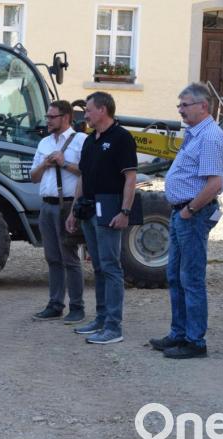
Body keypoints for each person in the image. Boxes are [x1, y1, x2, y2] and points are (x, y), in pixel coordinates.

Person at [150, 82, 223, 359]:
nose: (180, 110)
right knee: (175, 276)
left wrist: (190, 211)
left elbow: (214, 183)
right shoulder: (194, 135)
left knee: (191, 278)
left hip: (192, 215)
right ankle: (179, 334)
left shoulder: (209, 137)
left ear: (203, 106)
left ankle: (195, 342)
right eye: (179, 105)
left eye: (185, 105)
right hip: (181, 213)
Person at [65, 91, 137, 345]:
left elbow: (130, 178)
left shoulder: (122, 138)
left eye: (88, 110)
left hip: (110, 207)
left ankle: (113, 326)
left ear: (103, 110)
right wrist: (74, 210)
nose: (85, 114)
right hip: (88, 208)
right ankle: (101, 318)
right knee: (97, 266)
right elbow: (83, 177)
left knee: (110, 266)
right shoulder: (89, 140)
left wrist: (124, 211)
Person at [29, 100, 87, 323]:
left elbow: (87, 173)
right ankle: (55, 304)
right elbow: (33, 177)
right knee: (52, 257)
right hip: (47, 205)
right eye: (47, 117)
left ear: (65, 117)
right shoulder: (43, 142)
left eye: (51, 117)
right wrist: (44, 165)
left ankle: (76, 306)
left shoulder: (80, 141)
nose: (47, 121)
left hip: (68, 205)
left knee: (69, 257)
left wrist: (64, 164)